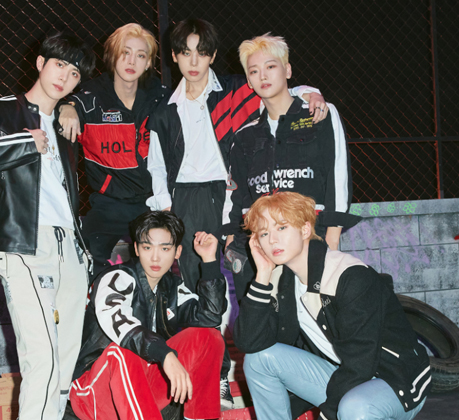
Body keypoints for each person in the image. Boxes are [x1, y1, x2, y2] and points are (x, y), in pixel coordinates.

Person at [145, 18, 328, 409]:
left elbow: (274, 87)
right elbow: (156, 165)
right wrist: (166, 207)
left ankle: (278, 370)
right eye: (186, 53)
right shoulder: (163, 111)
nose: (194, 62)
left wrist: (310, 93)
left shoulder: (234, 89)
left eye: (202, 53)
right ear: (175, 56)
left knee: (253, 282)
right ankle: (216, 374)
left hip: (233, 194)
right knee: (199, 286)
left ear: (212, 55)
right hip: (185, 199)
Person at [0, 31, 95, 420]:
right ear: (40, 63)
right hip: (24, 245)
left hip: (69, 248)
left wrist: (82, 252)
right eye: (59, 64)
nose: (65, 76)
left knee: (65, 360)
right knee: (42, 356)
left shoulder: (65, 126)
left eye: (75, 73)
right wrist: (23, 143)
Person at [233, 192, 431, 420]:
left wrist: (327, 415)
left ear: (305, 230)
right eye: (264, 233)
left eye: (282, 228)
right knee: (258, 360)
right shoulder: (280, 280)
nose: (272, 240)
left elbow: (361, 361)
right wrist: (262, 275)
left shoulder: (349, 276)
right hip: (342, 374)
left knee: (354, 408)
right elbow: (250, 343)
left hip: (394, 379)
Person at [223, 34, 360, 301]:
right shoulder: (244, 135)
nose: (263, 76)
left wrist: (331, 239)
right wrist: (232, 240)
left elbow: (338, 177)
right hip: (261, 245)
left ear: (287, 70)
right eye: (254, 71)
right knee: (262, 318)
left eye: (270, 66)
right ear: (249, 81)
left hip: (312, 236)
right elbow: (236, 195)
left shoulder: (319, 115)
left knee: (316, 315)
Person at [69, 211, 227, 420]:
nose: (155, 257)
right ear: (136, 249)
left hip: (144, 387)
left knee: (209, 337)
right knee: (122, 353)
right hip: (96, 391)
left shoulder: (172, 287)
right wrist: (165, 354)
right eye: (147, 247)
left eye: (165, 248)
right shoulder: (116, 278)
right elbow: (120, 323)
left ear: (177, 252)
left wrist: (209, 261)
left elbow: (210, 317)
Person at [58, 23, 170, 281]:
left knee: (157, 262)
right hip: (110, 202)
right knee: (83, 256)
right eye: (125, 52)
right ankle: (98, 302)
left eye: (140, 55)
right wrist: (66, 106)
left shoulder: (162, 98)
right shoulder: (90, 98)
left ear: (148, 63)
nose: (131, 61)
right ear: (112, 55)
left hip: (152, 201)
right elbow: (56, 107)